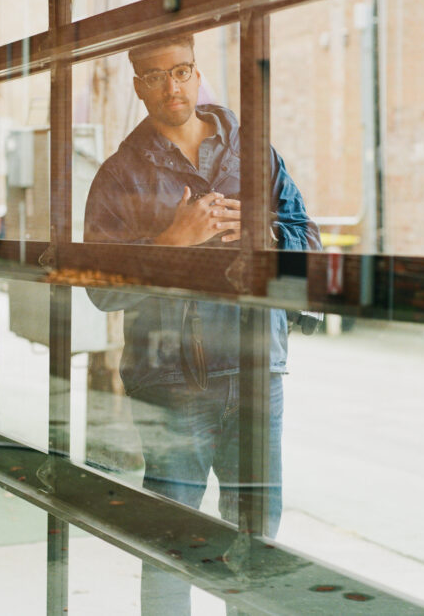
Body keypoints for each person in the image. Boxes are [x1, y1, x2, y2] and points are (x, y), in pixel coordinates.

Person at [83, 33, 320, 614]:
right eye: (156, 76)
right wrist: (170, 244)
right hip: (172, 379)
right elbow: (98, 290)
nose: (172, 87)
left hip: (255, 367)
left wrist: (264, 240)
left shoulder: (255, 153)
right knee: (171, 540)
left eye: (182, 71)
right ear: (138, 85)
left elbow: (308, 245)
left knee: (255, 539)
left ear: (196, 72)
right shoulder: (119, 174)